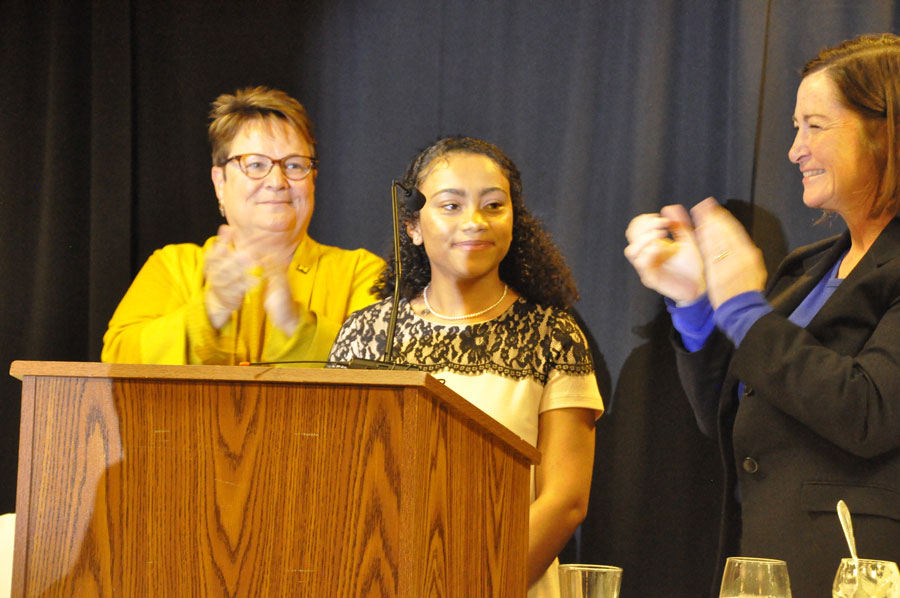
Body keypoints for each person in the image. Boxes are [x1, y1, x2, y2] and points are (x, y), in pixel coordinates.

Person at [624, 34, 900, 598]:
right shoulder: (805, 269)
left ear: (886, 130)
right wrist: (697, 304)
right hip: (763, 565)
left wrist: (744, 308)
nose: (795, 150)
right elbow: (728, 414)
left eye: (814, 127)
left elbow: (868, 411)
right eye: (795, 128)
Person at [329, 136, 604, 597]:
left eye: (494, 205)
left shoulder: (552, 334)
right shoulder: (365, 333)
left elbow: (565, 501)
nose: (475, 222)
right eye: (451, 205)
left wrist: (476, 583)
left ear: (514, 221)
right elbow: (339, 485)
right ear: (413, 225)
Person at [102, 86, 384, 365]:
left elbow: (386, 371)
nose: (277, 182)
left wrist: (294, 324)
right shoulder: (175, 265)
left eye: (295, 165)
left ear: (313, 180)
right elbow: (117, 361)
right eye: (256, 165)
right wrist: (211, 310)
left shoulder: (361, 273)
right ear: (220, 183)